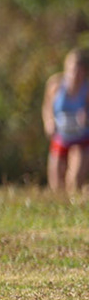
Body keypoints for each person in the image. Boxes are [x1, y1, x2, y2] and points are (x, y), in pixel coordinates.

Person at [42, 48, 89, 194]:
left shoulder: (87, 89)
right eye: (72, 69)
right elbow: (47, 106)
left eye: (79, 70)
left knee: (75, 180)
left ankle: (73, 208)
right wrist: (48, 122)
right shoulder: (55, 85)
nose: (75, 74)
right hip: (61, 136)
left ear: (84, 71)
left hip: (82, 137)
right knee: (55, 183)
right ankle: (59, 210)